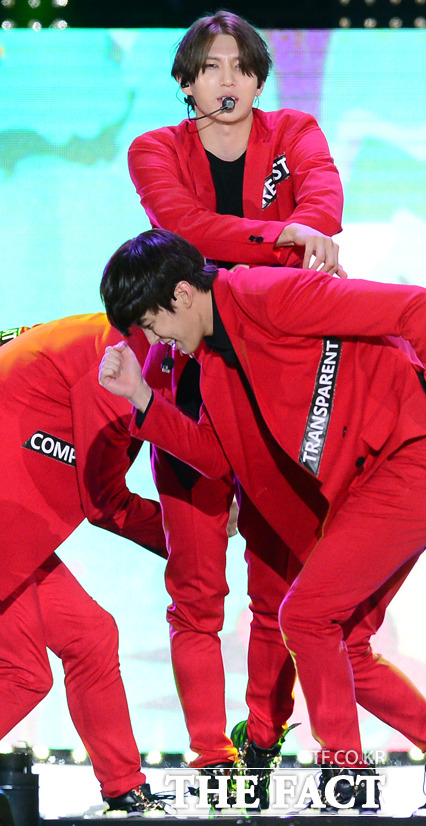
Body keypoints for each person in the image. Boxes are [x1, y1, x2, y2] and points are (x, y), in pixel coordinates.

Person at [98, 229, 426, 813]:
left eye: (150, 323)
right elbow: (218, 457)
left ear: (183, 294)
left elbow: (414, 307)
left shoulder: (268, 296)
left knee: (306, 617)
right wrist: (143, 400)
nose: (153, 341)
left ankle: (346, 784)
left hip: (417, 460)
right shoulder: (213, 364)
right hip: (378, 484)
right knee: (342, 644)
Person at [127, 9, 345, 790]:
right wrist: (285, 238)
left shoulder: (296, 131)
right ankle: (208, 758)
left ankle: (261, 738)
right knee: (196, 593)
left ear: (259, 79)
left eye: (241, 66)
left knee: (279, 587)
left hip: (279, 382)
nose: (228, 80)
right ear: (186, 83)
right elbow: (185, 229)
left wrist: (308, 227)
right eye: (211, 67)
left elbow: (323, 199)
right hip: (187, 382)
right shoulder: (155, 148)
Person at [0, 315, 173, 816]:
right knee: (23, 672)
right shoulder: (117, 362)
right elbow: (103, 502)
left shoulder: (114, 343)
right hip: (8, 522)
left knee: (91, 636)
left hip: (15, 526)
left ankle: (125, 790)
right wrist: (186, 536)